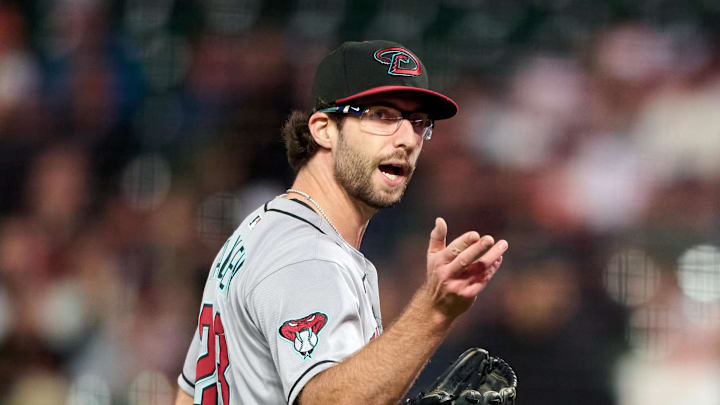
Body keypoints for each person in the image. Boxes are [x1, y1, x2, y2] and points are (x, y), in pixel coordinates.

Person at [174, 40, 508, 405]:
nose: (408, 138)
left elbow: (186, 394)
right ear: (323, 129)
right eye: (382, 115)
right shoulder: (310, 256)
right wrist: (434, 311)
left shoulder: (259, 229)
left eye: (418, 122)